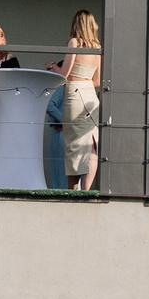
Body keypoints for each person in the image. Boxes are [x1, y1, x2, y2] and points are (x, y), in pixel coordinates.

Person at [59, 10, 103, 190]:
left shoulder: (75, 42)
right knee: (91, 143)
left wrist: (53, 66)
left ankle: (72, 190)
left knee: (73, 144)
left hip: (74, 94)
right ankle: (86, 189)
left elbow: (65, 74)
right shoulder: (97, 46)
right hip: (90, 93)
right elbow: (97, 81)